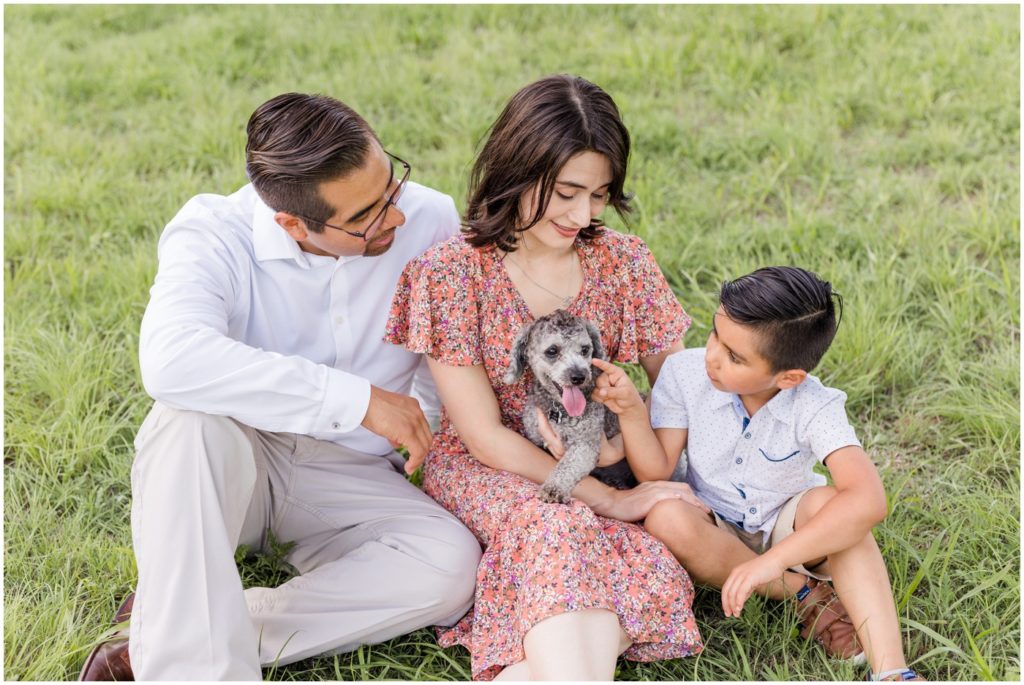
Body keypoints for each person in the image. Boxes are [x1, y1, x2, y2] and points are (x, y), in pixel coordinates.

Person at [79, 92, 481, 681]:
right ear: (292, 222)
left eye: (391, 184)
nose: (395, 214)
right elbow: (169, 358)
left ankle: (183, 624)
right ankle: (192, 661)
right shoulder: (213, 231)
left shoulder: (430, 217)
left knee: (450, 567)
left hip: (351, 475)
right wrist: (356, 399)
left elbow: (447, 360)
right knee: (186, 421)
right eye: (366, 215)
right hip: (233, 462)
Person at [384, 74, 704, 681]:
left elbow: (680, 388)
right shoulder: (452, 273)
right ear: (516, 171)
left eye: (600, 195)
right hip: (492, 466)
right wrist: (611, 498)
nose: (583, 215)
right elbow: (482, 434)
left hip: (598, 453)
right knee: (561, 523)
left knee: (628, 550)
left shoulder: (623, 261)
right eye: (565, 193)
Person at [589, 265, 924, 682]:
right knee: (664, 515)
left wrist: (775, 559)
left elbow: (869, 499)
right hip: (714, 522)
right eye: (715, 334)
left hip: (788, 523)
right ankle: (804, 594)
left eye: (734, 356)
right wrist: (632, 414)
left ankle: (892, 670)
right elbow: (656, 469)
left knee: (837, 507)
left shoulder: (814, 403)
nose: (712, 356)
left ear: (788, 378)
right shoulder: (684, 373)